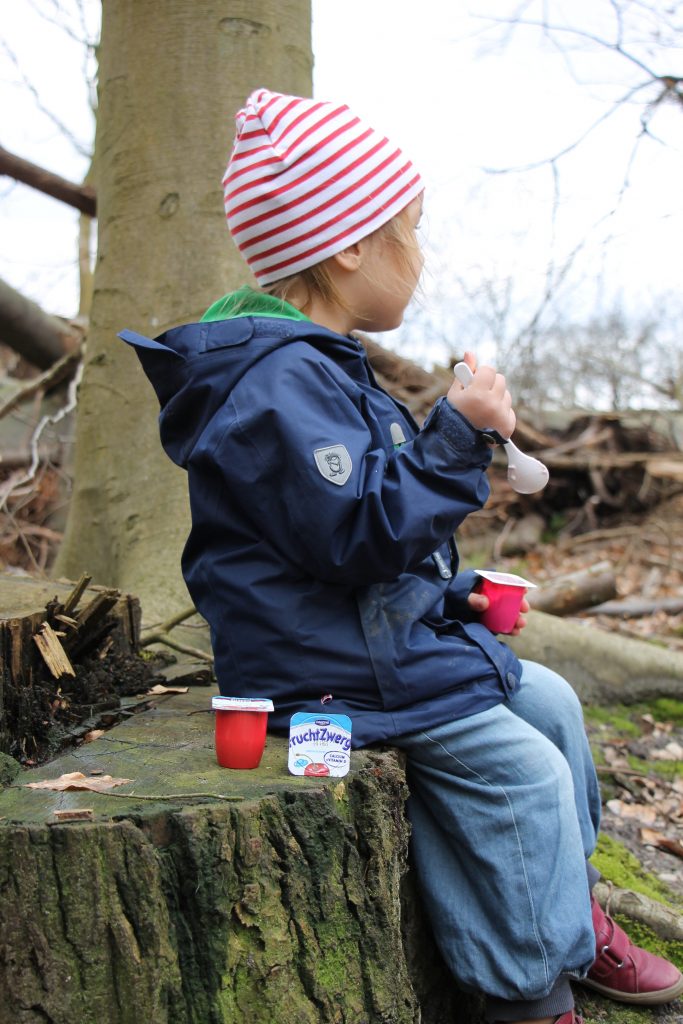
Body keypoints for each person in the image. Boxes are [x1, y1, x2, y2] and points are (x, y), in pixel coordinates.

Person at [120, 88, 683, 1024]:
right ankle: (527, 991)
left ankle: (567, 916)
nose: (420, 259)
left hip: (364, 642)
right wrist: (457, 436)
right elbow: (355, 534)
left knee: (553, 703)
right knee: (522, 776)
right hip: (327, 681)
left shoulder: (319, 366)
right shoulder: (277, 383)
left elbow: (343, 542)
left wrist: (453, 595)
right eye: (409, 233)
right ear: (347, 248)